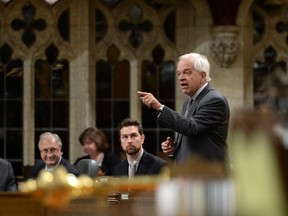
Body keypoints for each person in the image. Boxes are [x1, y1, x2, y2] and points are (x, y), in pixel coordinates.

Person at [138, 53, 230, 164]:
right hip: (189, 174)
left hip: (207, 174)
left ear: (202, 76)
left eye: (187, 72)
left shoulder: (214, 100)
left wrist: (159, 106)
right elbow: (191, 137)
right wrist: (173, 149)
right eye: (179, 73)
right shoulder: (188, 102)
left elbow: (190, 127)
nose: (181, 78)